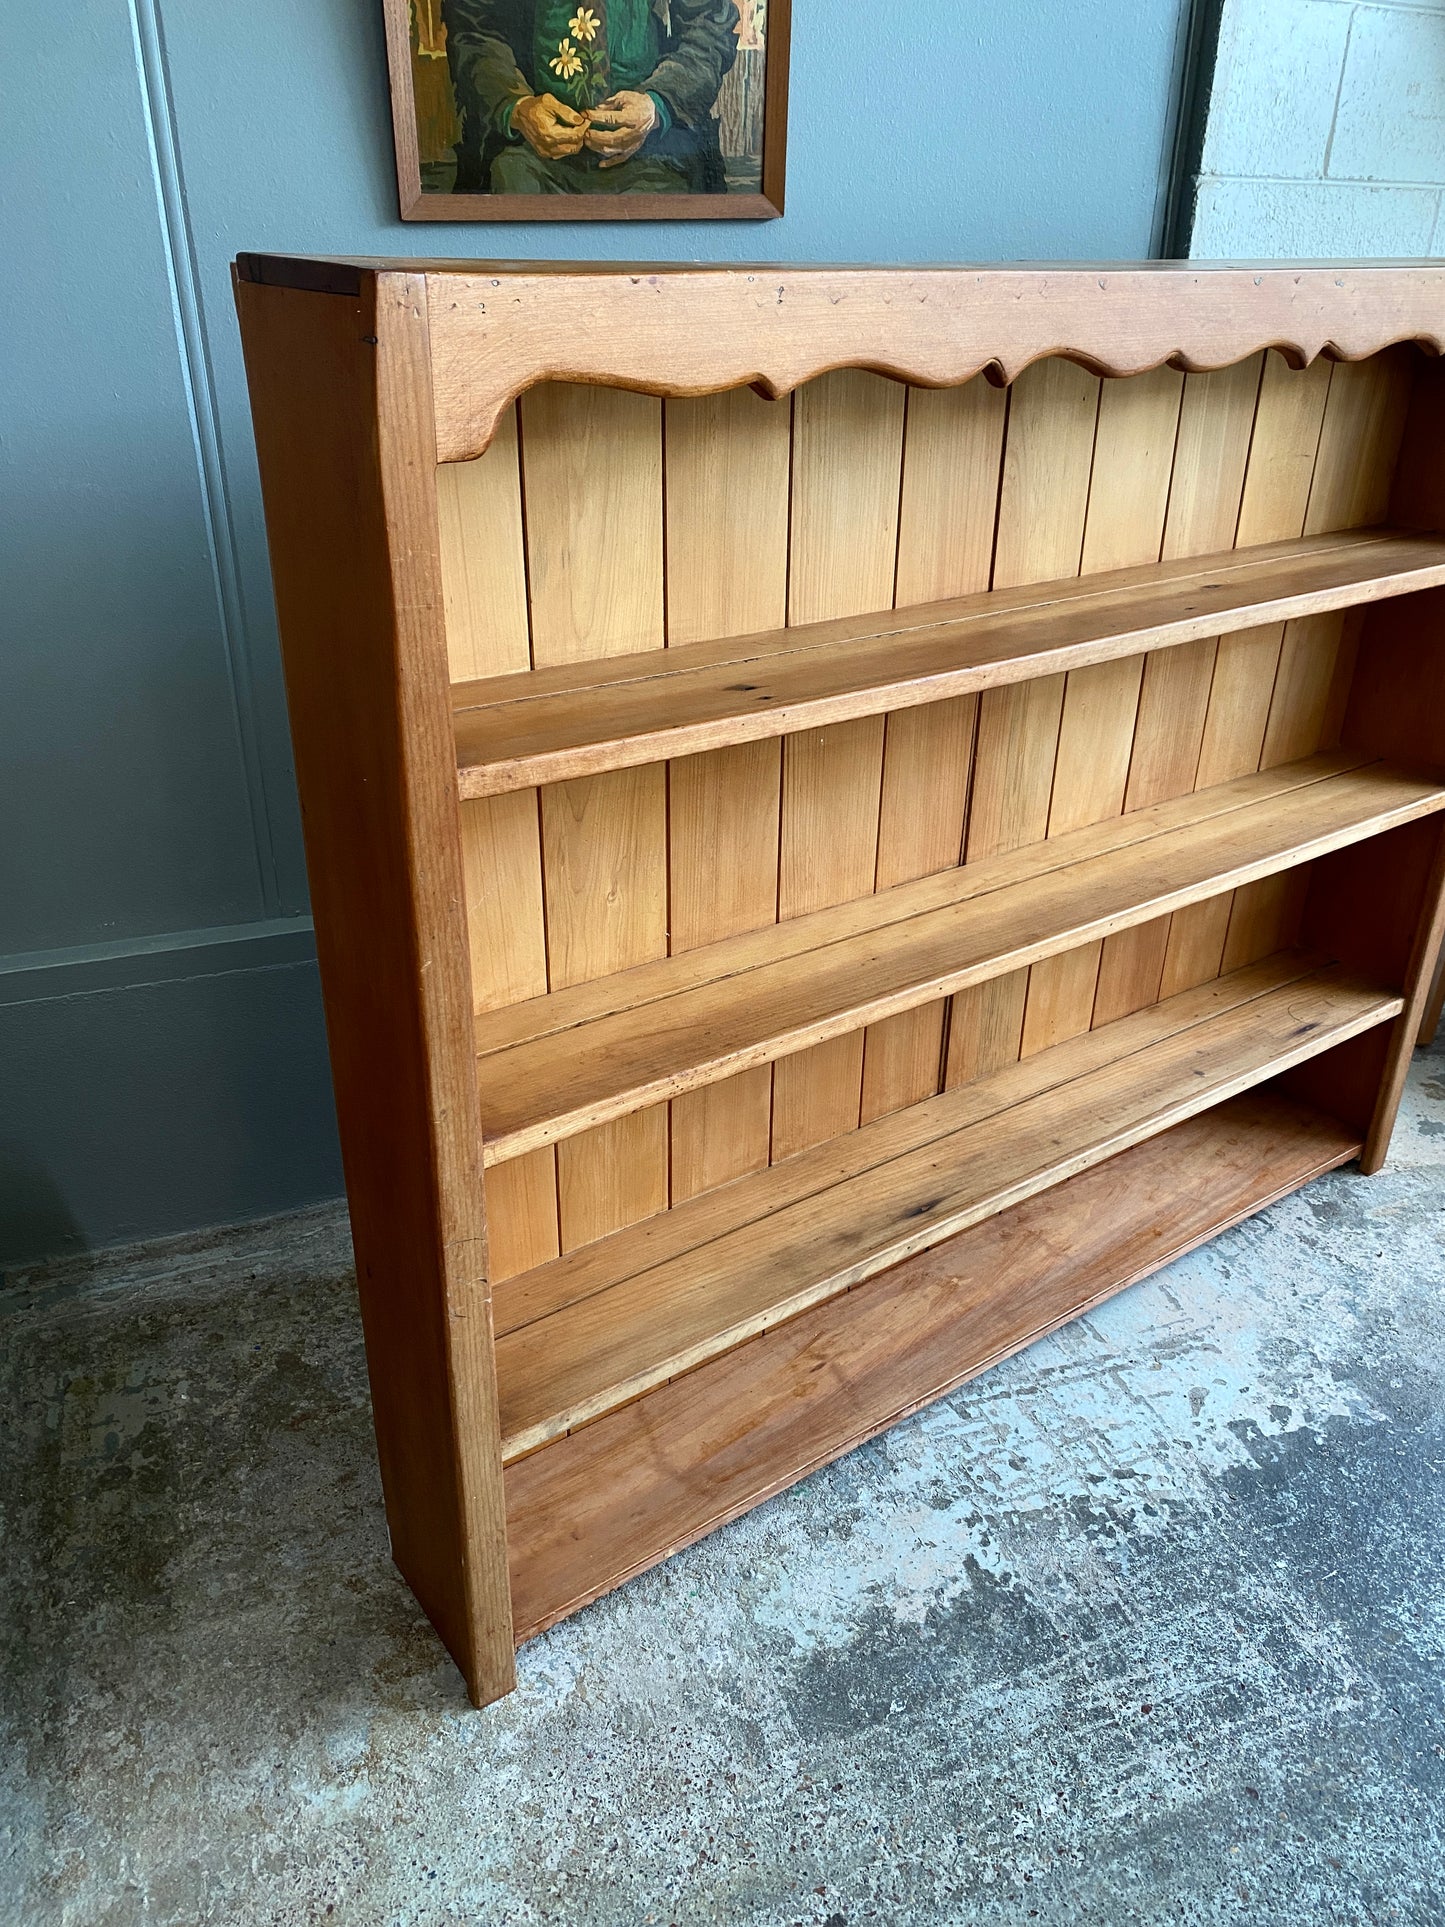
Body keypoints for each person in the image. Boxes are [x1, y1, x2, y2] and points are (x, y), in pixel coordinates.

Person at [443, 0, 740, 194]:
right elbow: (473, 29)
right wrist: (517, 107)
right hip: (526, 152)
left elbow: (709, 27)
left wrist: (656, 104)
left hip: (655, 151)